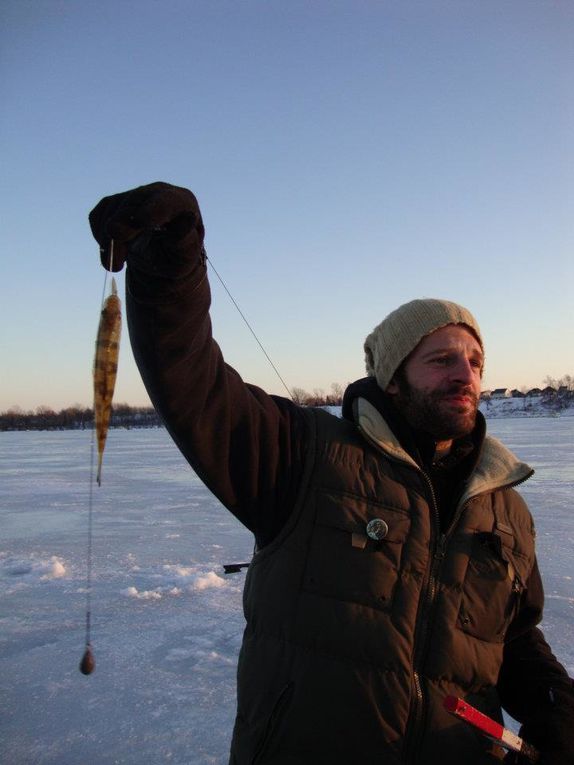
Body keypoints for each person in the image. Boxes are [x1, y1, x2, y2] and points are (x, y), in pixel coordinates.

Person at [89, 182, 573, 765]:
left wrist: (555, 703)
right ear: (393, 378)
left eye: (473, 361)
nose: (465, 375)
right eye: (441, 359)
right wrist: (171, 267)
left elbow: (512, 636)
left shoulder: (506, 509)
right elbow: (192, 381)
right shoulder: (306, 456)